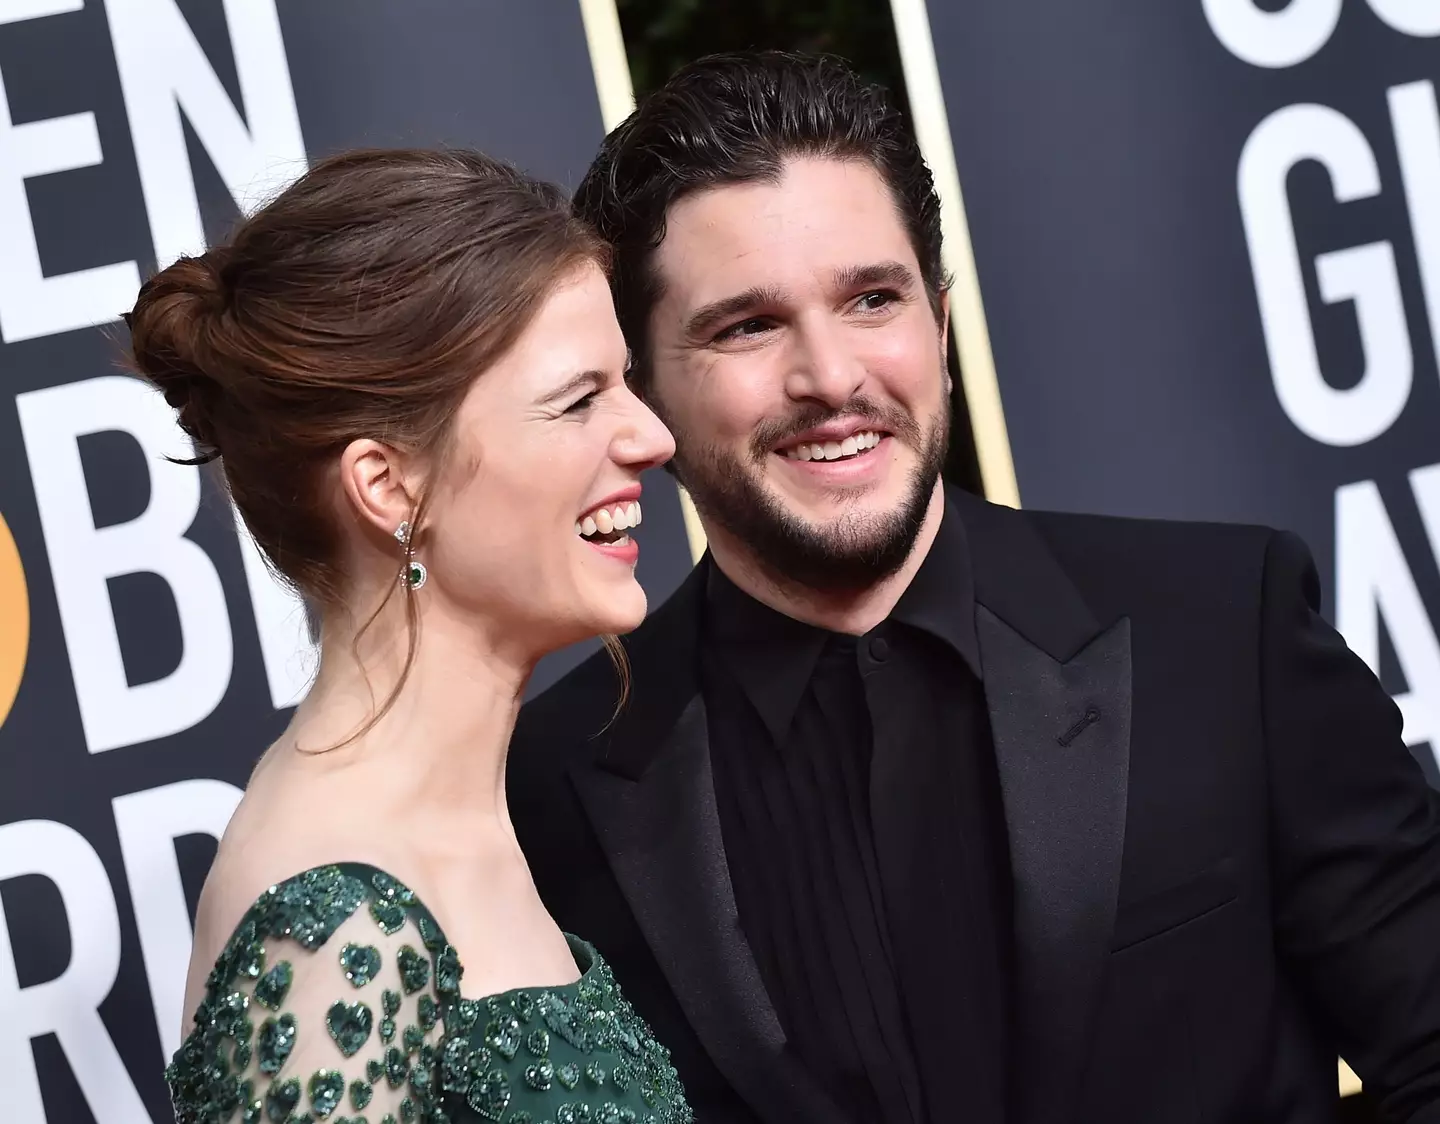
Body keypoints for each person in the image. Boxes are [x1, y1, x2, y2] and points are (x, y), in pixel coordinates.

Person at [508, 52, 1440, 1124]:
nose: (832, 376)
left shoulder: (1226, 629)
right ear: (644, 391)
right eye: (747, 325)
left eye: (872, 299)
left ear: (939, 328)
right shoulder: (553, 786)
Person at [130, 148, 692, 1124]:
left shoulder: (467, 821)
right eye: (578, 400)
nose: (650, 437)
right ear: (390, 487)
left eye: (626, 384)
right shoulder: (332, 912)